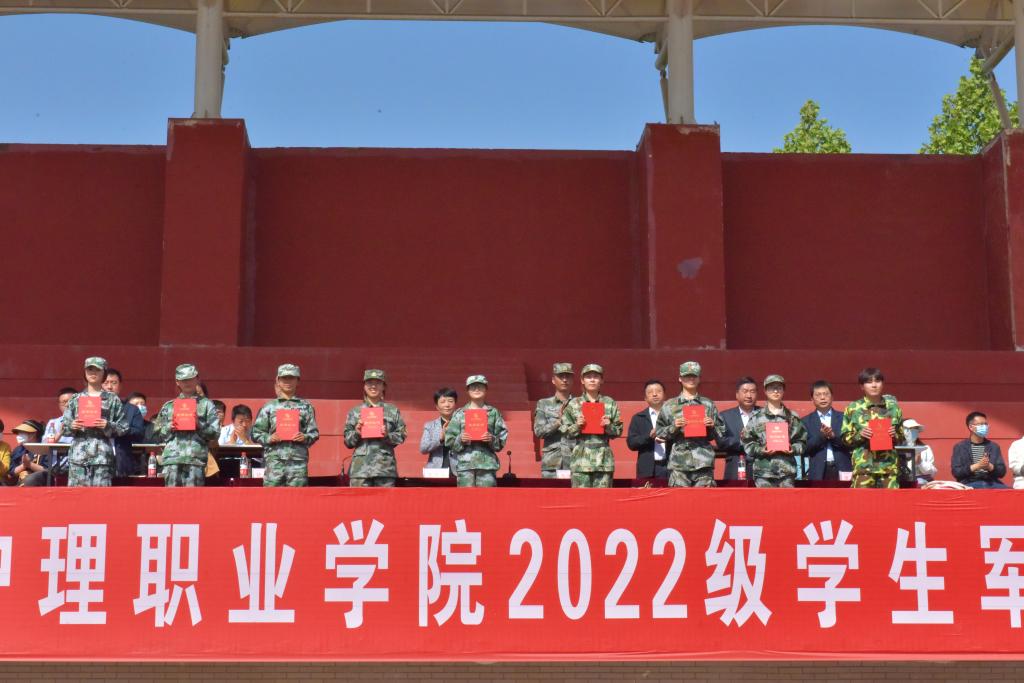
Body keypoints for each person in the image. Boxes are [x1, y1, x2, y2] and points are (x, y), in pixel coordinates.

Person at [655, 361, 727, 488]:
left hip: (703, 463)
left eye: (694, 376)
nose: (691, 379)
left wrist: (712, 426)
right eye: (687, 376)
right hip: (679, 464)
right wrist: (674, 427)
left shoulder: (708, 404)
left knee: (704, 499)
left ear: (699, 378)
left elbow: (722, 432)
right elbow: (659, 432)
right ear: (680, 378)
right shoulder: (669, 405)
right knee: (680, 499)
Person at [61, 357, 129, 487]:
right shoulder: (75, 399)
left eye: (97, 370)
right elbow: (64, 427)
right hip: (78, 457)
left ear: (104, 373)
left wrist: (108, 425)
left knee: (101, 496)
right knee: (77, 496)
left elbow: (124, 427)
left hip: (101, 457)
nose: (93, 373)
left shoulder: (112, 399)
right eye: (90, 369)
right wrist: (72, 426)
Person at [151, 363, 221, 487]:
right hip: (172, 459)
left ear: (197, 379)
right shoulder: (169, 406)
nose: (187, 383)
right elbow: (156, 434)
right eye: (183, 380)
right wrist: (169, 427)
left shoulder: (207, 405)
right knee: (171, 497)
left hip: (195, 459)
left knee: (193, 497)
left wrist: (199, 425)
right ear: (177, 382)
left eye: (190, 379)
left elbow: (215, 433)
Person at [251, 364, 320, 487]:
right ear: (278, 381)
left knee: (298, 497)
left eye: (291, 378)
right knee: (272, 497)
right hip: (274, 462)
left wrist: (304, 437)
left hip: (297, 464)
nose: (288, 381)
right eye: (284, 378)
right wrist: (269, 438)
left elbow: (314, 433)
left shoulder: (306, 406)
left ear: (298, 381)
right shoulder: (269, 407)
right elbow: (256, 433)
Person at [560, 364, 622, 488]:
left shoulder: (609, 403)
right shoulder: (574, 404)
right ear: (582, 380)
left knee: (603, 498)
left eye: (596, 377)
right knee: (581, 498)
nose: (592, 380)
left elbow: (619, 430)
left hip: (603, 460)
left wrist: (608, 426)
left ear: (601, 380)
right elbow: (564, 431)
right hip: (581, 460)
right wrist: (577, 426)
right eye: (588, 377)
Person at [841, 367, 904, 489]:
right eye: (869, 382)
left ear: (883, 384)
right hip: (863, 468)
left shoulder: (894, 408)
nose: (874, 385)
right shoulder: (853, 408)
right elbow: (845, 438)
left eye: (877, 381)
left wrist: (895, 435)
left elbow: (902, 437)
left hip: (888, 468)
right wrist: (860, 435)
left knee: (890, 501)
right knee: (861, 501)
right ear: (862, 386)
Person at [741, 375, 809, 488]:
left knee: (786, 500)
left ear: (783, 391)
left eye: (779, 388)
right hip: (764, 473)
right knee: (765, 500)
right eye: (772, 388)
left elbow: (802, 442)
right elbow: (747, 442)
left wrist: (792, 448)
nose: (776, 391)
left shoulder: (792, 417)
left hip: (786, 473)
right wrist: (761, 449)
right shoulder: (756, 417)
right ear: (765, 391)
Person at [343, 369, 407, 487]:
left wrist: (387, 435)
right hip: (360, 470)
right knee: (359, 500)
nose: (373, 386)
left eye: (377, 383)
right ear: (364, 386)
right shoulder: (355, 412)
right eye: (369, 383)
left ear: (384, 386)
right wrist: (357, 433)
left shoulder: (393, 411)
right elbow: (347, 441)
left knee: (385, 500)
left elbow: (402, 435)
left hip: (385, 469)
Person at [444, 375, 508, 487]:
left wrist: (491, 439)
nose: (477, 389)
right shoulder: (459, 414)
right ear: (467, 390)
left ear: (486, 389)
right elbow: (449, 440)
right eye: (473, 387)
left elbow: (502, 438)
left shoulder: (494, 413)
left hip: (487, 465)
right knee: (466, 497)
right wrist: (460, 439)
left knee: (487, 497)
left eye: (480, 386)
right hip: (465, 466)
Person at [802, 380, 851, 481]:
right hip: (818, 470)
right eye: (818, 395)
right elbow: (804, 449)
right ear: (812, 399)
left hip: (842, 468)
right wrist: (821, 436)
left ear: (832, 397)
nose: (822, 398)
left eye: (826, 394)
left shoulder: (844, 418)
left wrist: (833, 436)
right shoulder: (806, 421)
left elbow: (851, 443)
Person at [102, 368, 147, 476]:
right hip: (98, 459)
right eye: (106, 383)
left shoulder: (132, 409)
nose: (109, 387)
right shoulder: (94, 407)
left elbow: (139, 432)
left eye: (114, 383)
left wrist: (118, 429)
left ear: (120, 386)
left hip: (122, 461)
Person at [533, 362, 575, 478]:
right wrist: (558, 422)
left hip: (575, 463)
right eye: (561, 376)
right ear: (553, 380)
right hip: (552, 464)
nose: (564, 380)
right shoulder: (543, 404)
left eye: (568, 376)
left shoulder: (579, 404)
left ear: (572, 380)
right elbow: (539, 431)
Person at [951, 411, 1008, 489]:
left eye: (985, 424)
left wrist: (990, 467)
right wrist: (976, 466)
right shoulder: (960, 447)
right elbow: (956, 472)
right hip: (969, 483)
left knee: (1010, 492)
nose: (984, 427)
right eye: (981, 424)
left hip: (991, 483)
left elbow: (1002, 472)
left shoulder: (993, 446)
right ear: (971, 427)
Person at [626, 379, 670, 480]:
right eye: (650, 392)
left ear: (665, 395)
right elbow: (631, 443)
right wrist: (649, 437)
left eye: (658, 391)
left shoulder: (672, 416)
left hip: (670, 467)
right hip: (647, 469)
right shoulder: (639, 418)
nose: (654, 394)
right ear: (645, 398)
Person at [717, 377, 759, 480]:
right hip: (735, 466)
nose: (749, 395)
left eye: (752, 391)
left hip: (761, 469)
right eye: (745, 391)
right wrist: (745, 442)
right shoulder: (725, 416)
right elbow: (721, 441)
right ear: (737, 394)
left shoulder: (764, 414)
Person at [420, 388, 458, 473]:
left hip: (458, 470)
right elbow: (423, 448)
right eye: (443, 402)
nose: (447, 405)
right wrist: (440, 439)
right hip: (436, 470)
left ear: (455, 404)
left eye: (450, 401)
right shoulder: (430, 426)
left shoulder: (462, 424)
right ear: (437, 406)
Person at [9, 420, 45, 485]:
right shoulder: (18, 450)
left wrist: (30, 465)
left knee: (30, 480)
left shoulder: (45, 449)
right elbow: (12, 472)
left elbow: (48, 471)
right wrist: (23, 465)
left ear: (33, 434)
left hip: (39, 484)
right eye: (19, 433)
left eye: (22, 433)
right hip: (18, 484)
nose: (19, 435)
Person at [902, 418, 937, 486]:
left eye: (916, 428)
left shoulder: (925, 448)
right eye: (911, 428)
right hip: (905, 484)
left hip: (925, 484)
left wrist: (920, 462)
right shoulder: (898, 449)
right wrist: (913, 462)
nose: (913, 431)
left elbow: (932, 471)